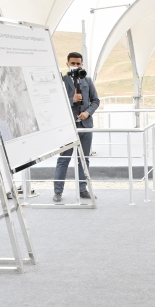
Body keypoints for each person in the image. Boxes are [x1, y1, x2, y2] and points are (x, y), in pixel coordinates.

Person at [53, 52, 99, 202]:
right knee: (64, 159)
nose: (75, 66)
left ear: (82, 64)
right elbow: (56, 102)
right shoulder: (61, 81)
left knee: (84, 159)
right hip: (68, 127)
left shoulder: (87, 80)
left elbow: (95, 101)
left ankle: (83, 190)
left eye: (78, 63)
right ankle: (58, 192)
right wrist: (72, 100)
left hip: (85, 126)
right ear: (67, 64)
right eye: (73, 63)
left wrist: (87, 112)